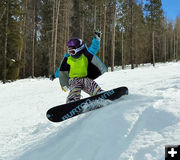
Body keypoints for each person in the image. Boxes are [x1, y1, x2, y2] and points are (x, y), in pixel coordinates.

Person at [50, 30, 107, 103]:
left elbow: (94, 48)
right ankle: (72, 100)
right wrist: (54, 75)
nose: (70, 54)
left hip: (84, 78)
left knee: (90, 83)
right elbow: (61, 69)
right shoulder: (68, 59)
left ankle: (99, 93)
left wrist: (96, 39)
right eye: (69, 51)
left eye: (72, 51)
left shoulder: (85, 56)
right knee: (74, 88)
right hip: (73, 80)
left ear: (79, 49)